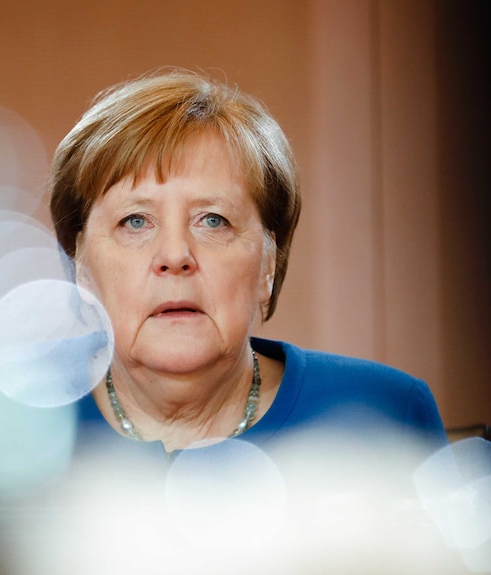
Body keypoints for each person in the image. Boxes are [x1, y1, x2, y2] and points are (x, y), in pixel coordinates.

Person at [48, 67, 448, 476]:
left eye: (213, 220)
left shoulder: (385, 415)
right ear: (80, 264)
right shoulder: (6, 419)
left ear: (268, 264)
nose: (175, 255)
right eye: (135, 221)